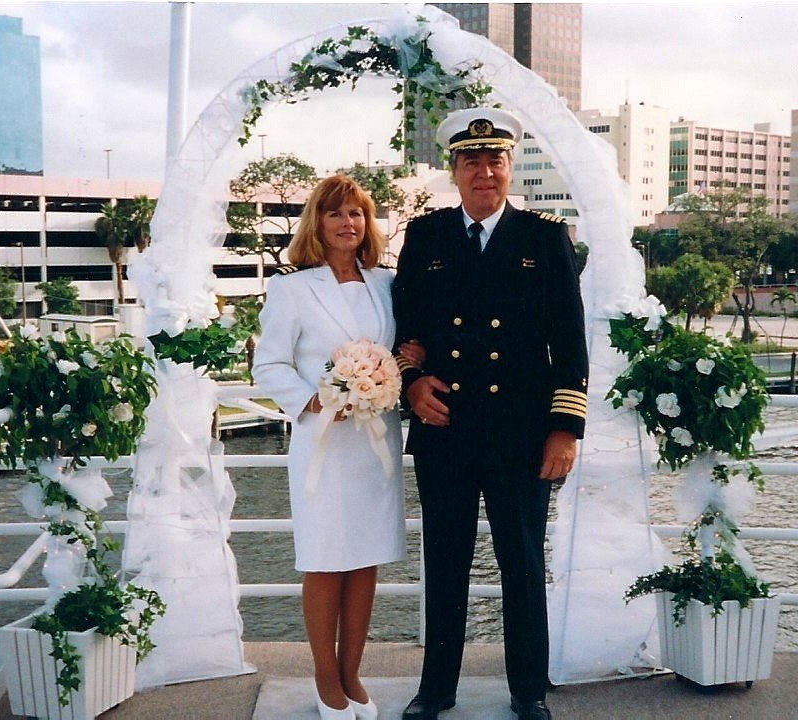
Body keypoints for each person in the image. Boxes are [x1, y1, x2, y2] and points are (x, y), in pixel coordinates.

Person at [391, 108, 589, 720]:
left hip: (521, 433)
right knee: (444, 562)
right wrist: (410, 385)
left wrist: (565, 428)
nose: (485, 171)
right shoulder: (425, 237)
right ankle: (437, 690)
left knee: (522, 563)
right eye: (471, 161)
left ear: (510, 168)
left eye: (495, 159)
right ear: (454, 170)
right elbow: (403, 330)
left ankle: (528, 690)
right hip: (444, 427)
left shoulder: (543, 238)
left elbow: (571, 342)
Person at [252, 175, 422, 720]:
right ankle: (325, 680)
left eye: (357, 214)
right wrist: (316, 402)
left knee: (366, 559)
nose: (348, 223)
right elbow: (269, 364)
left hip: (374, 444)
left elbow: (389, 350)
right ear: (316, 224)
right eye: (336, 214)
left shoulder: (385, 283)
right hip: (324, 445)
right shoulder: (291, 288)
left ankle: (353, 671)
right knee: (326, 561)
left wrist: (402, 361)